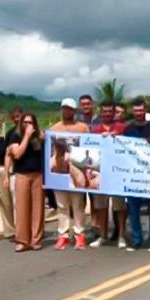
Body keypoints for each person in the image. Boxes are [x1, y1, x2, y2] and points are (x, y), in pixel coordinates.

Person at [123, 98, 150, 251]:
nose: (139, 113)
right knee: (133, 207)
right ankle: (137, 239)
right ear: (132, 112)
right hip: (133, 173)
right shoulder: (128, 129)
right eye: (136, 110)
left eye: (141, 110)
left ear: (145, 110)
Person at [49, 98, 90, 250]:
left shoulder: (82, 127)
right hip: (59, 169)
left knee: (78, 204)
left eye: (69, 109)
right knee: (62, 205)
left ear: (74, 111)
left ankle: (79, 234)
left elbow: (90, 147)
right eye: (64, 108)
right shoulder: (55, 128)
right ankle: (63, 235)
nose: (66, 111)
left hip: (76, 168)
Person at [89, 100, 128, 248]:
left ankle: (121, 235)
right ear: (101, 112)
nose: (107, 114)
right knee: (101, 206)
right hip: (100, 172)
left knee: (119, 206)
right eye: (104, 111)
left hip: (117, 172)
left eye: (109, 112)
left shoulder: (122, 128)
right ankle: (103, 235)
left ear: (114, 113)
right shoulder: (95, 129)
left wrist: (117, 136)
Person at [6, 113, 45, 252]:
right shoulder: (15, 136)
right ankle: (22, 240)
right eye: (25, 123)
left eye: (30, 123)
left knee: (38, 208)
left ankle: (36, 239)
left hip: (38, 175)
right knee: (22, 208)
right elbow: (17, 154)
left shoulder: (38, 138)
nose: (28, 125)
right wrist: (27, 136)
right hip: (22, 175)